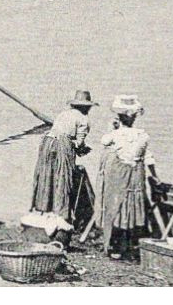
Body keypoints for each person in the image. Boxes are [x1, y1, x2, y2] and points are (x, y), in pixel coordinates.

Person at [97, 95, 156, 260]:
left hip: (119, 175)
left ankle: (115, 246)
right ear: (135, 117)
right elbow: (148, 158)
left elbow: (104, 141)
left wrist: (113, 128)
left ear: (119, 117)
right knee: (132, 207)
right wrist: (155, 177)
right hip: (136, 176)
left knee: (116, 207)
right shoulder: (143, 136)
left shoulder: (115, 135)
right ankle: (129, 246)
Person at [31, 89, 94, 223]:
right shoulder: (84, 119)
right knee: (63, 177)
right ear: (86, 107)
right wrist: (83, 149)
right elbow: (79, 143)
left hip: (47, 142)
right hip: (62, 144)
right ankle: (62, 213)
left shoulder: (63, 114)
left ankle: (42, 208)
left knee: (46, 174)